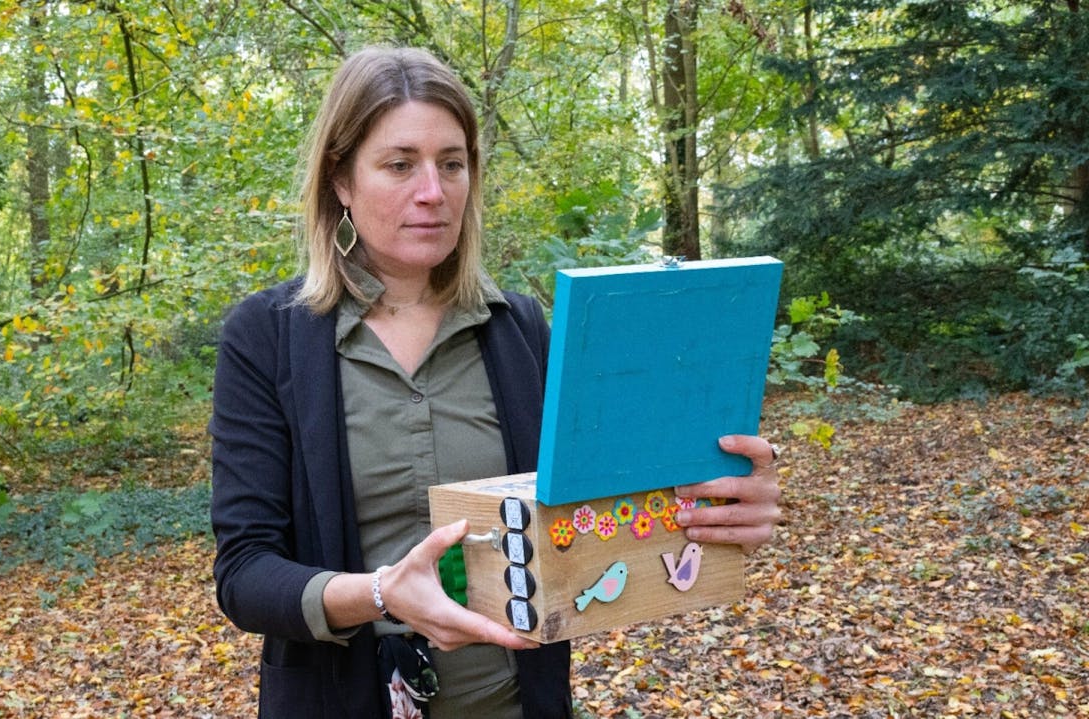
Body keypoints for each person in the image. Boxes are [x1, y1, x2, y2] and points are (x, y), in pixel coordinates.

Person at [209, 46, 784, 719]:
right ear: (340, 179)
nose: (433, 191)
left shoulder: (519, 330)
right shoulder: (268, 338)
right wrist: (381, 594)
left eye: (452, 164)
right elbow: (245, 573)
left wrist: (714, 506)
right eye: (400, 164)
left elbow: (599, 509)